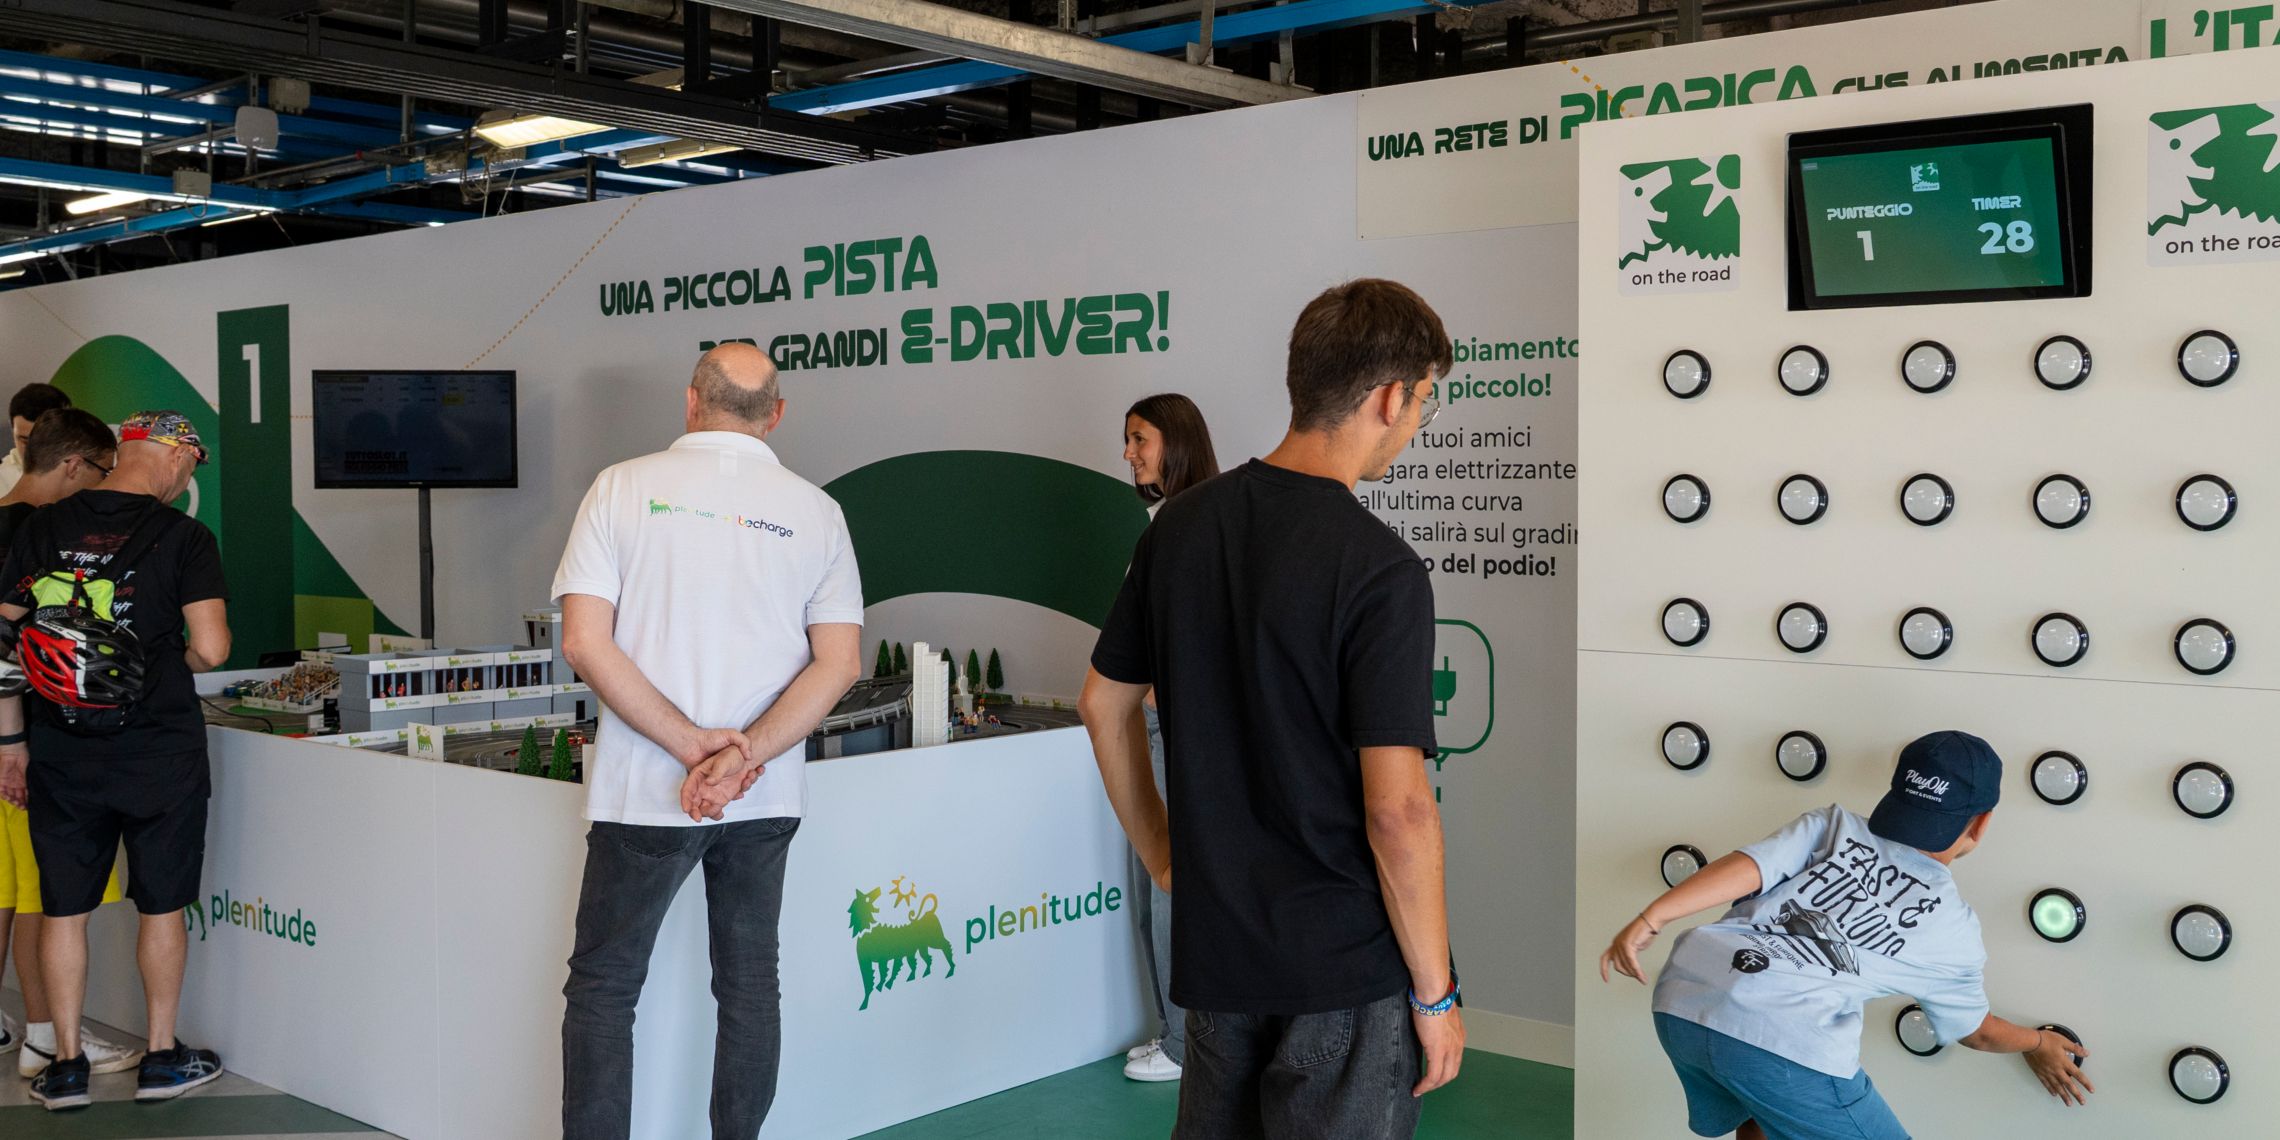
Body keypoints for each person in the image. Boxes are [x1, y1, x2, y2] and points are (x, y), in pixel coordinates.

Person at [1081, 279, 1463, 1139]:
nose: (1416, 422)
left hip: (1219, 958)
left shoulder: (1177, 529)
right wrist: (1436, 993)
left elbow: (1103, 705)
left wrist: (1166, 857)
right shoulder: (1381, 570)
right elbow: (1399, 811)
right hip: (1342, 970)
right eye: (1423, 402)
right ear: (1389, 397)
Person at [552, 343, 865, 1140]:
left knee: (605, 988)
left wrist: (691, 746)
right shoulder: (817, 512)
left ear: (691, 402)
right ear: (776, 415)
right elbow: (839, 663)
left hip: (644, 791)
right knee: (750, 985)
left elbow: (585, 642)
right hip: (765, 792)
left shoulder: (620, 487)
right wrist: (742, 755)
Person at [1599, 731, 2094, 1140]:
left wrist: (1653, 916)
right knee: (1777, 1096)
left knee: (1764, 1117)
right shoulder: (1951, 926)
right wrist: (2037, 1042)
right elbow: (1978, 1031)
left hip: (1685, 997)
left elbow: (1749, 866)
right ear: (1982, 824)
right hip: (1783, 1036)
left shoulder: (1832, 825)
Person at [0, 410, 231, 1111]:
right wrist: (174, 661)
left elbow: (4, 637)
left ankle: (67, 1065)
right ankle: (161, 1058)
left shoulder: (43, 526)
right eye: (191, 464)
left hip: (63, 746)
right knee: (161, 905)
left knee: (64, 910)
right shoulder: (185, 536)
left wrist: (11, 743)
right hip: (159, 749)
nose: (187, 477)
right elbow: (212, 648)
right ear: (174, 455)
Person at [0, 409, 143, 1080]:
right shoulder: (34, 534)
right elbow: (6, 646)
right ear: (73, 465)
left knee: (11, 888)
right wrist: (13, 741)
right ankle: (44, 1036)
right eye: (103, 470)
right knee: (42, 892)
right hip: (24, 739)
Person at [1116, 393, 1219, 1085]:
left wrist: (1154, 697)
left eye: (1139, 439)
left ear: (1174, 442)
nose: (1128, 454)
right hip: (1156, 721)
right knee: (1153, 880)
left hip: (1170, 726)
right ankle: (1176, 1035)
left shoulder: (1189, 525)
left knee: (1167, 884)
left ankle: (1183, 1045)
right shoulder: (1174, 521)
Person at [0, 384, 73, 497]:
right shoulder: (2, 478)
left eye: (43, 440)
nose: (33, 449)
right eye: (24, 441)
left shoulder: (89, 471)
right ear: (13, 430)